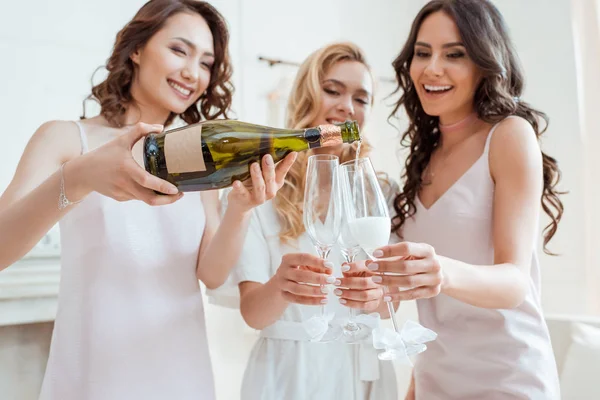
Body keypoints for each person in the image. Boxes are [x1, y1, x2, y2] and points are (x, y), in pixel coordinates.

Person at [0, 1, 295, 399]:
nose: (194, 73)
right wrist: (80, 176)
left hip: (182, 376)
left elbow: (210, 274)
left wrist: (240, 209)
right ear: (136, 49)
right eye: (179, 50)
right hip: (93, 377)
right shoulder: (67, 139)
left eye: (206, 63)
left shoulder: (201, 158)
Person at [356, 0, 564, 398]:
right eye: (422, 53)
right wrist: (372, 294)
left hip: (508, 380)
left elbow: (514, 281)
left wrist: (442, 272)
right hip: (436, 382)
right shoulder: (423, 160)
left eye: (455, 54)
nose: (432, 68)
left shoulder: (508, 136)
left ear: (484, 64)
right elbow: (400, 303)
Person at [210, 42, 399, 400]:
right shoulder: (259, 188)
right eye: (332, 90)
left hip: (363, 370)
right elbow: (253, 313)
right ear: (304, 96)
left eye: (362, 98)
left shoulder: (380, 190)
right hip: (290, 373)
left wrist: (376, 296)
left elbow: (392, 302)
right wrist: (283, 285)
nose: (347, 106)